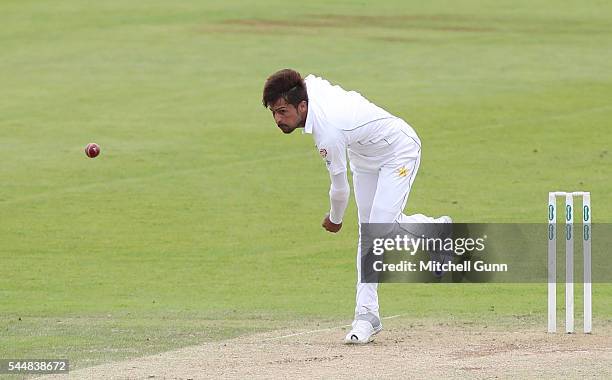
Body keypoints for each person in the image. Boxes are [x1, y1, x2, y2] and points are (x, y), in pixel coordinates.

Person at [262, 69, 449, 344]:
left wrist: (335, 219)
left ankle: (436, 232)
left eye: (282, 111)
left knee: (379, 230)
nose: (278, 119)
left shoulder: (329, 132)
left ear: (302, 106)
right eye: (273, 113)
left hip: (397, 149)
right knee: (369, 234)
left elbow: (339, 189)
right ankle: (367, 316)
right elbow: (309, 78)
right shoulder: (306, 87)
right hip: (364, 157)